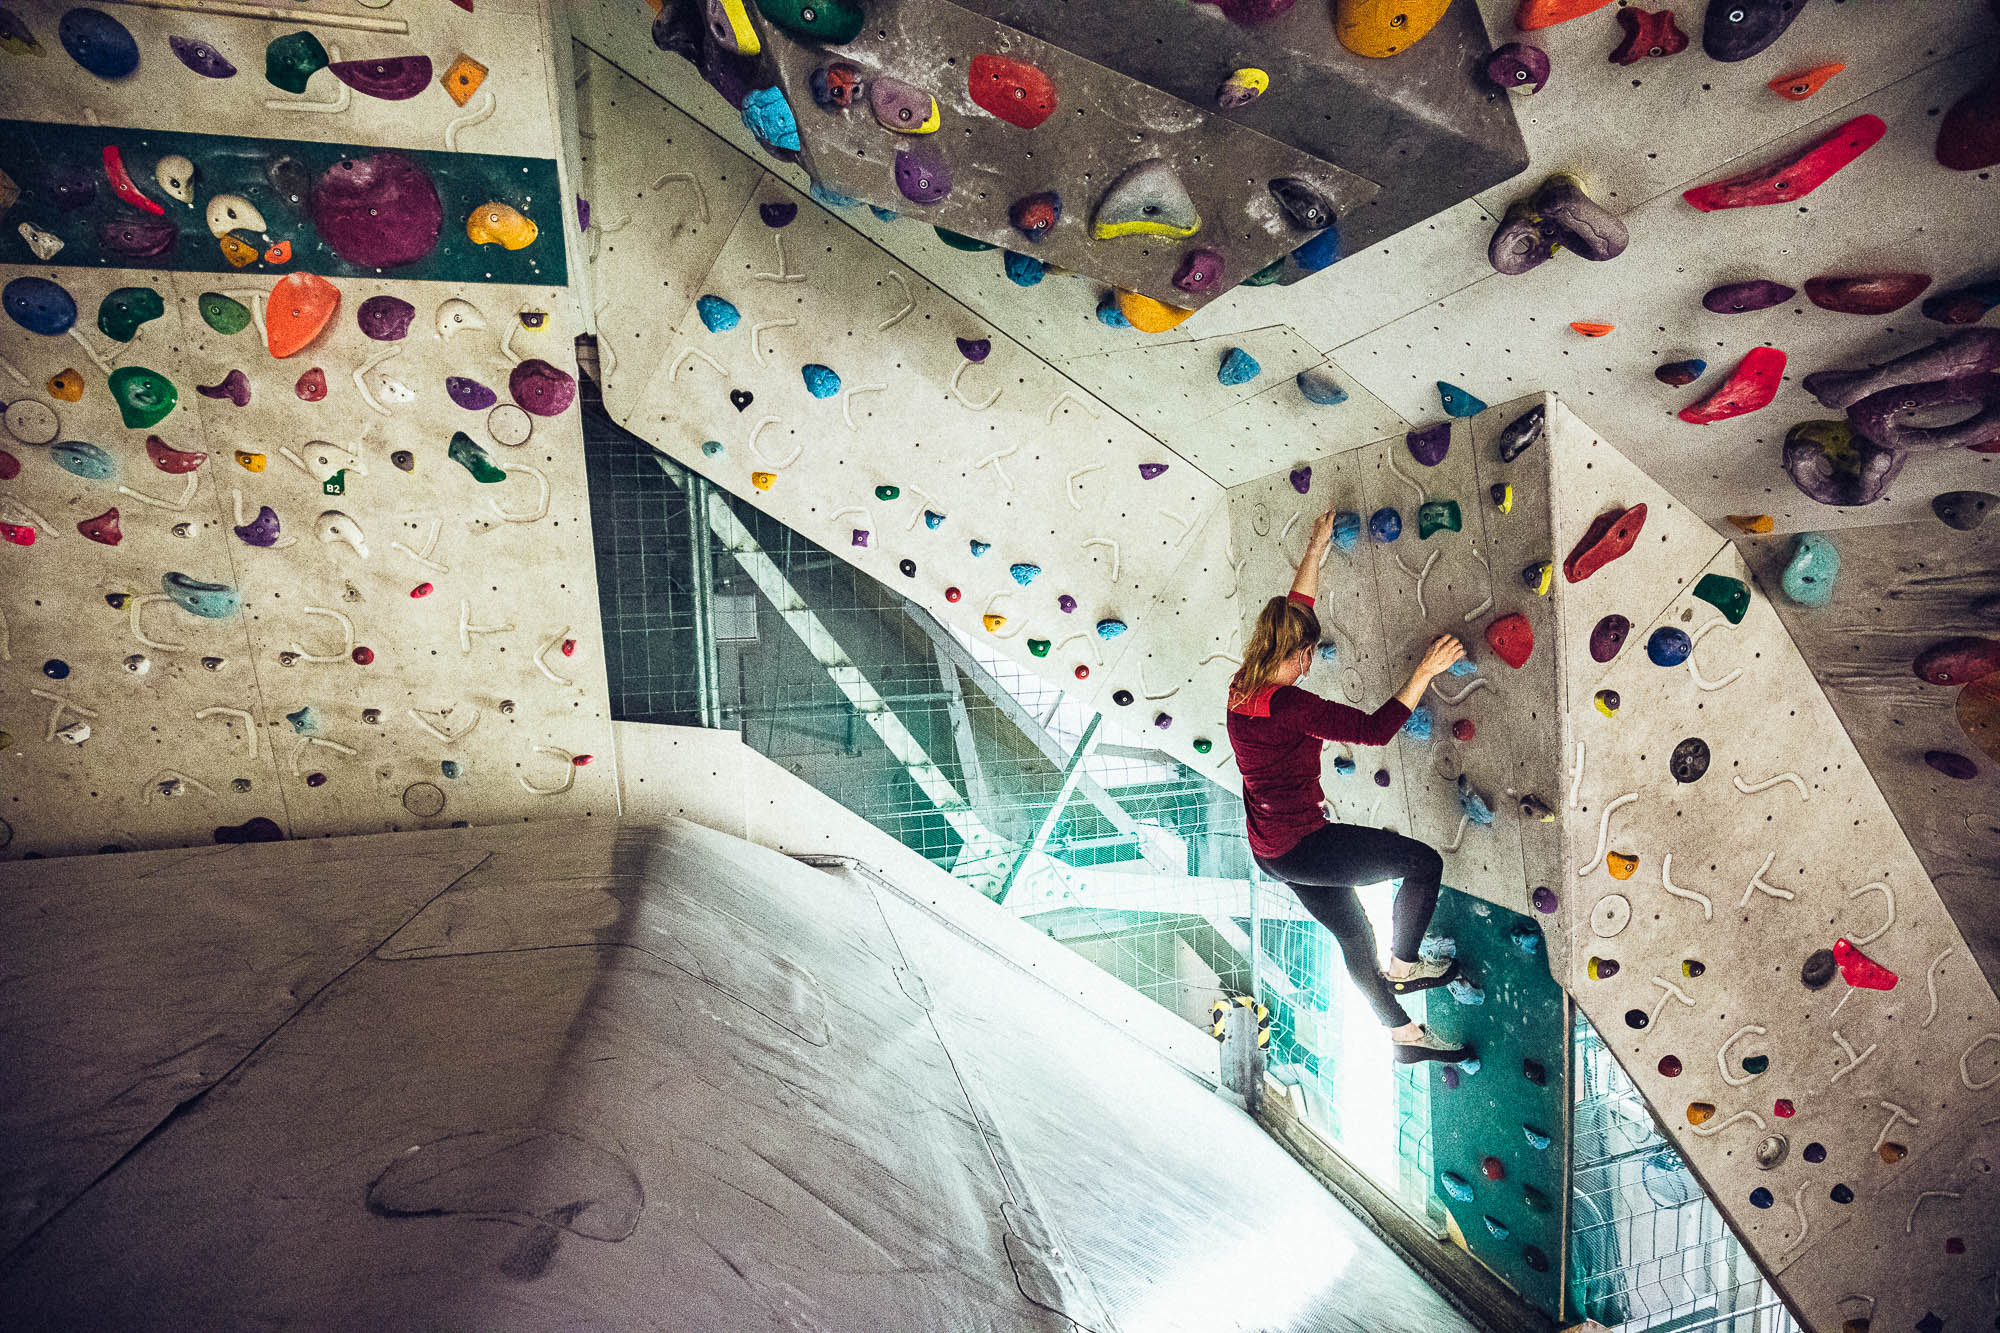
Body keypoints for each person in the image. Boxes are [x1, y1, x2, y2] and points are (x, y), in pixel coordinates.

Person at [1225, 508, 1474, 1065]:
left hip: (1271, 849)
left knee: (1356, 937)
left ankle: (1404, 1039)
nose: (1311, 661)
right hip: (1304, 846)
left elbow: (1296, 610)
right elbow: (1373, 730)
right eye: (1307, 654)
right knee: (1423, 864)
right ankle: (1405, 969)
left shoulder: (1244, 684)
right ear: (1296, 655)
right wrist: (1425, 670)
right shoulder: (1288, 705)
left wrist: (1317, 548)